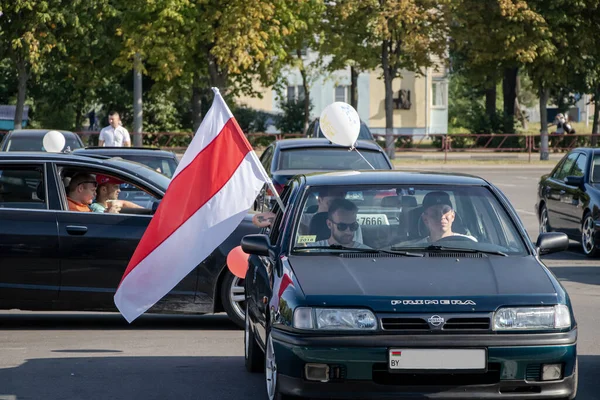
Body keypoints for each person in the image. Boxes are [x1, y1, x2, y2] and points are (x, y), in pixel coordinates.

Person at [409, 191, 477, 244]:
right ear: (425, 219)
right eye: (435, 213)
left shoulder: (470, 244)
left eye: (445, 211)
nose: (442, 216)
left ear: (453, 216)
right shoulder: (414, 250)